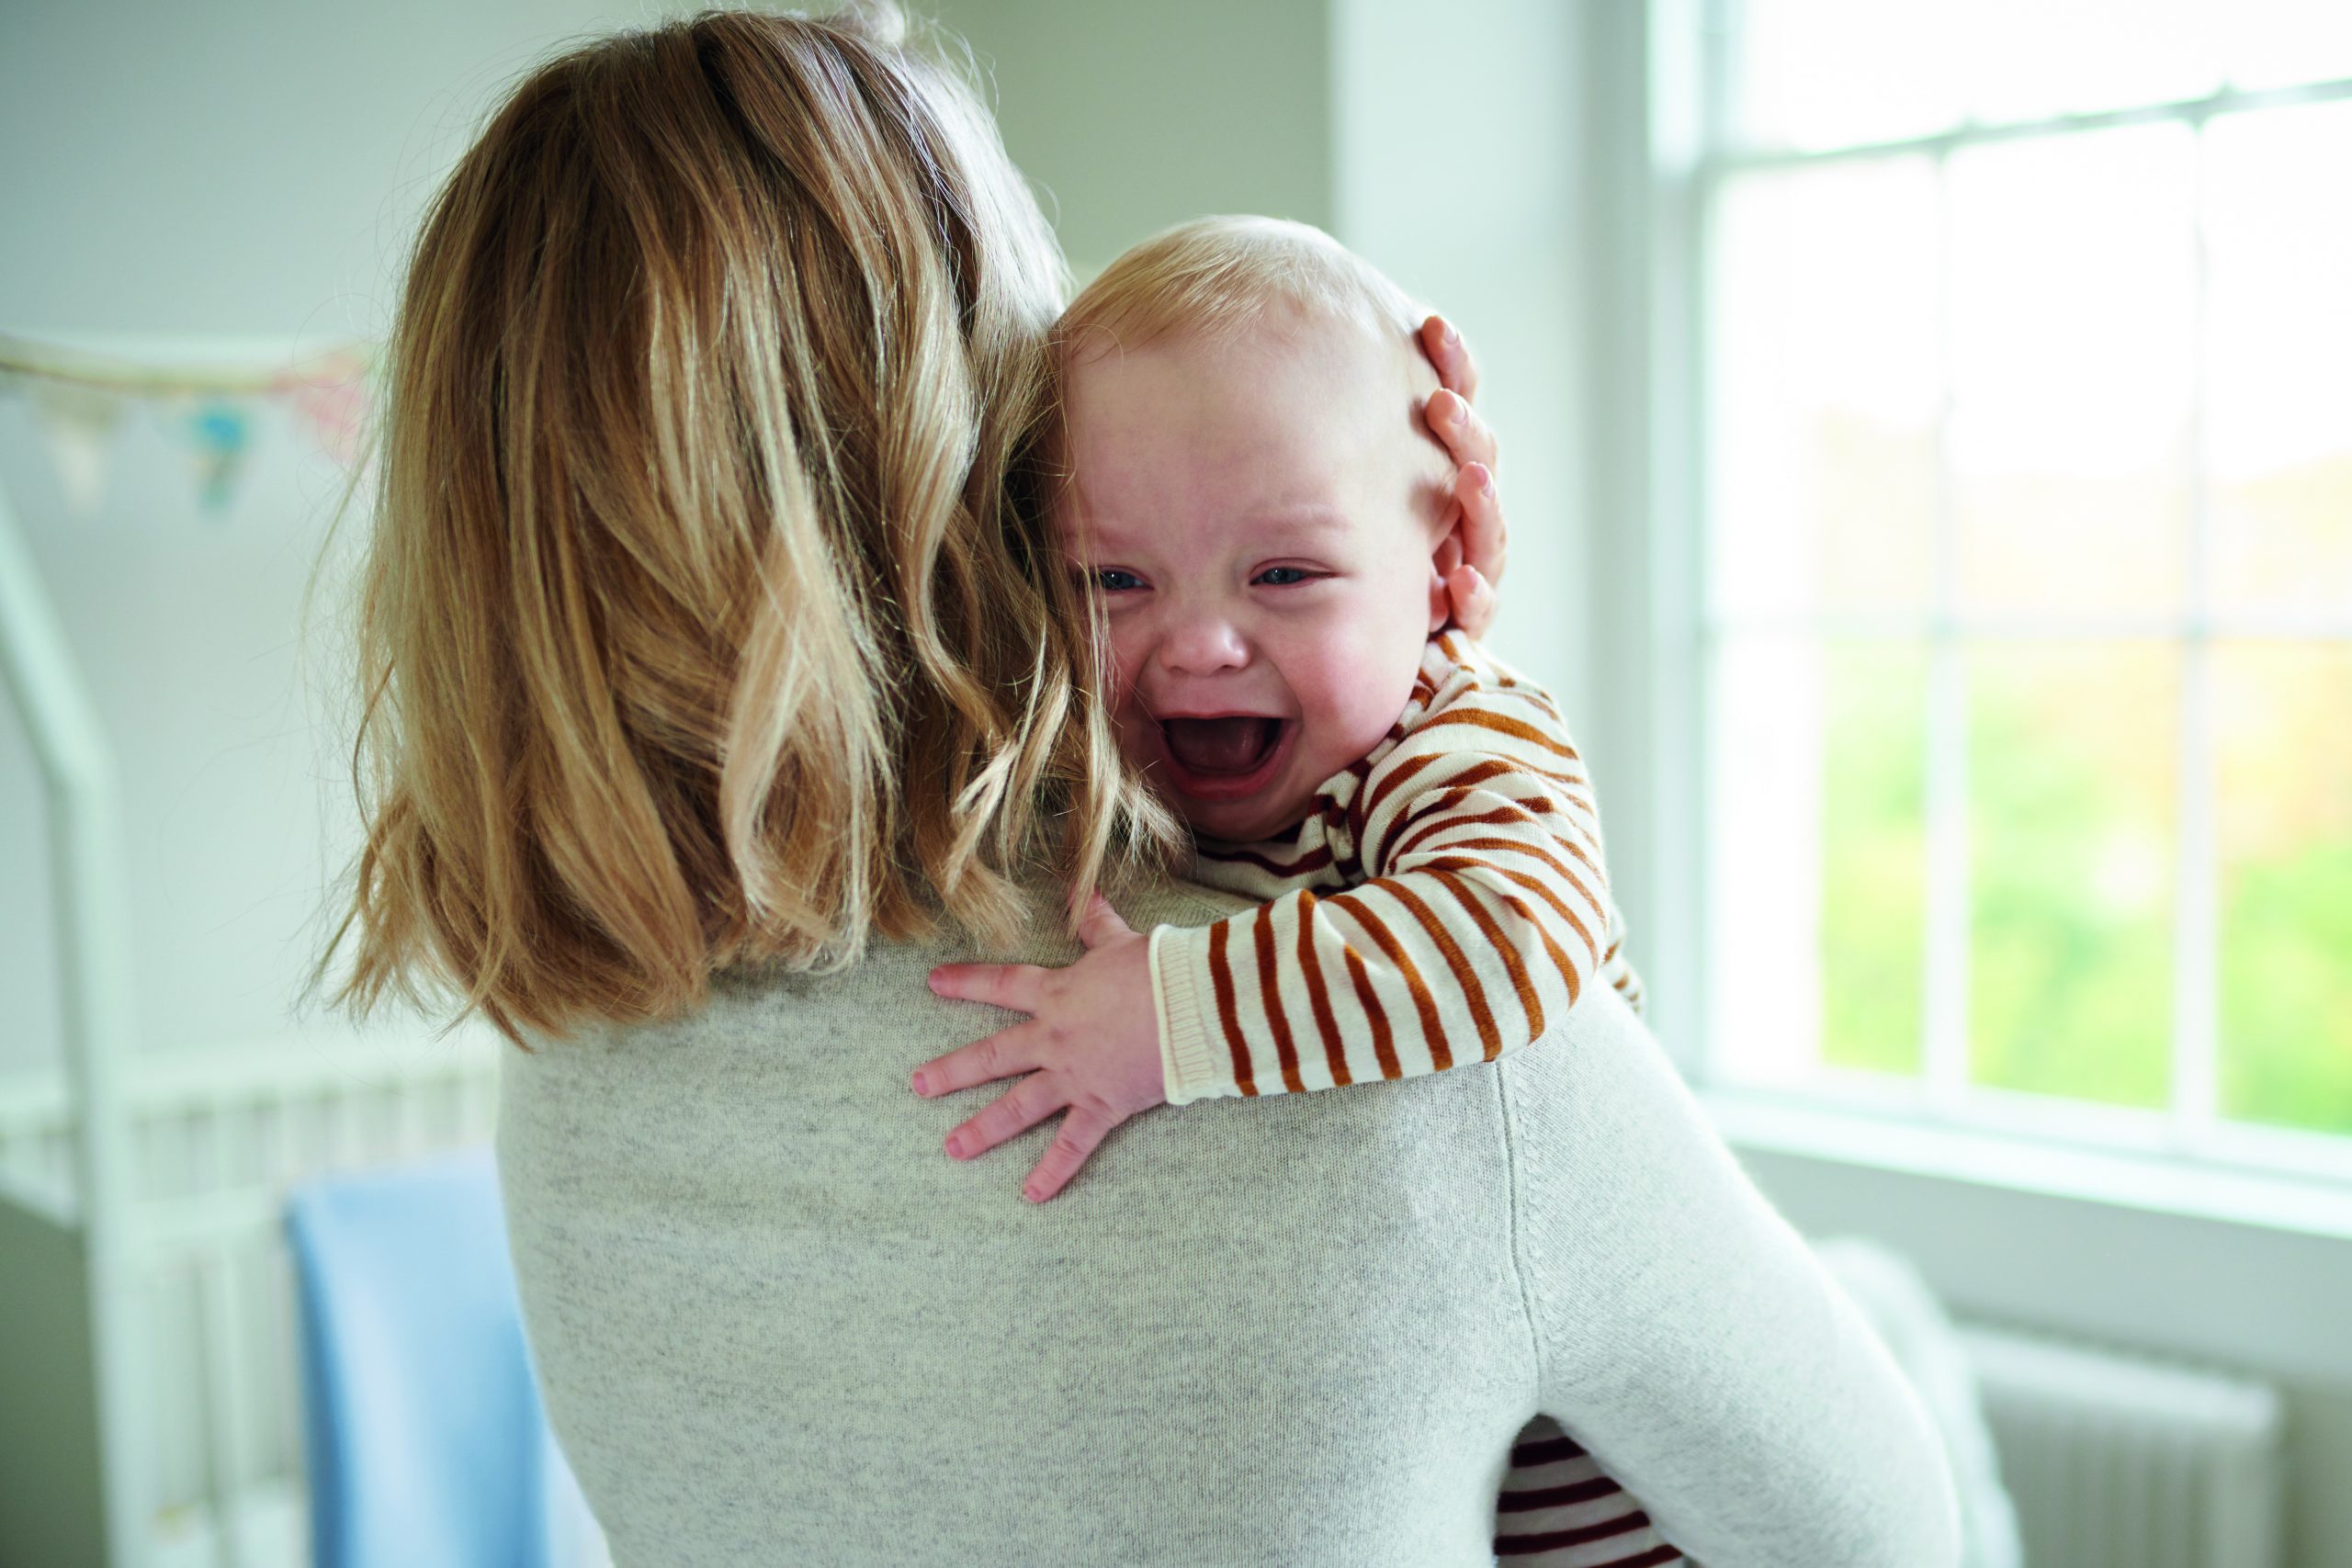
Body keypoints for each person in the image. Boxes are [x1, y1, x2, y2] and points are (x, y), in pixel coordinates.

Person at [317, 6, 1963, 1566]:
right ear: (969, 449)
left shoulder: (572, 1065)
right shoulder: (1393, 1034)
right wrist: (1404, 638)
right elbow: (1884, 1533)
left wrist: (1366, 607)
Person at [913, 214, 1672, 1565]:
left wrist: (1167, 1021)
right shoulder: (1113, 771)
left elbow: (1511, 943)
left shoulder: (1457, 736)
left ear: (1444, 571)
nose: (1199, 641)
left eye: (1287, 574)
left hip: (1616, 1502)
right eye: (1113, 581)